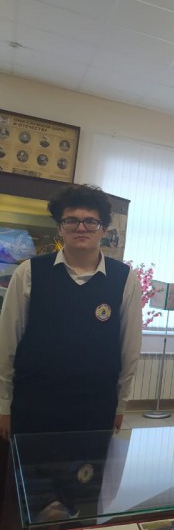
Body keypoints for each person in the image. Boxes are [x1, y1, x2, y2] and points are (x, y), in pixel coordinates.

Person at [0, 184, 142, 439]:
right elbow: (6, 343)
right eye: (71, 220)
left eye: (91, 221)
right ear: (60, 228)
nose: (81, 228)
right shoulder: (29, 272)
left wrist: (120, 405)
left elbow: (129, 350)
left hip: (96, 404)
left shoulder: (124, 278)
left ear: (103, 229)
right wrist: (3, 404)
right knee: (31, 465)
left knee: (90, 464)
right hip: (34, 402)